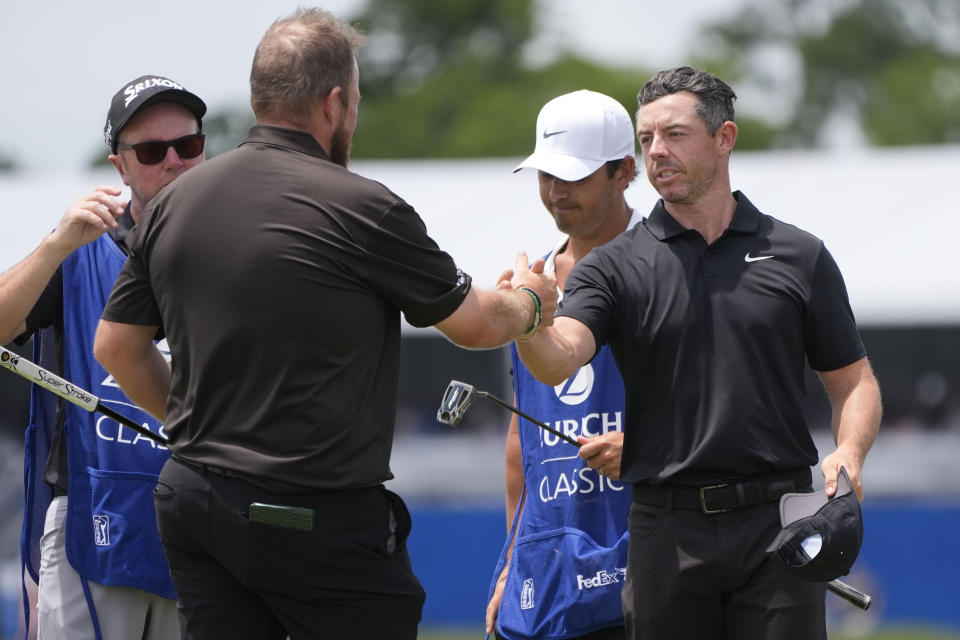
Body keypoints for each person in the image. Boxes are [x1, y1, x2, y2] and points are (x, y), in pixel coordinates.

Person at [91, 8, 557, 640]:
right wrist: (530, 301)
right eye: (356, 99)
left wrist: (192, 425)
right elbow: (474, 325)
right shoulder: (363, 206)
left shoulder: (173, 202)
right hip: (309, 515)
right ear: (335, 103)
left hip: (193, 501)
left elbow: (116, 347)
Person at [513, 66, 882, 640]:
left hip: (780, 522)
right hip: (666, 528)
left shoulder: (799, 254)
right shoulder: (611, 265)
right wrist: (532, 318)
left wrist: (850, 453)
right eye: (646, 140)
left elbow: (854, 380)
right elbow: (561, 357)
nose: (657, 152)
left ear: (724, 138)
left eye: (675, 135)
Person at [0, 74, 206, 639]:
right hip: (92, 514)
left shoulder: (238, 243)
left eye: (188, 146)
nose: (173, 162)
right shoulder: (81, 243)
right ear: (120, 165)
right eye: (151, 151)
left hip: (204, 515)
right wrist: (55, 246)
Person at [485, 90, 639, 640]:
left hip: (650, 559)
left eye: (572, 176)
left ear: (624, 171)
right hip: (550, 568)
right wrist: (511, 562)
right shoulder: (532, 285)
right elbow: (520, 444)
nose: (554, 192)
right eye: (545, 175)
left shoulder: (674, 264)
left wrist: (649, 442)